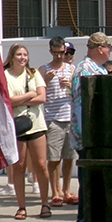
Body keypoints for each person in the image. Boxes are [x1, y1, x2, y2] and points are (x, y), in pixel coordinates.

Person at [71, 32, 112, 222]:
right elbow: (82, 106)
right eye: (109, 48)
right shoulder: (85, 70)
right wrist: (88, 138)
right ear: (100, 49)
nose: (110, 52)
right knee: (88, 182)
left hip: (98, 137)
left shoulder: (98, 69)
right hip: (88, 138)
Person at [3, 44, 52, 220]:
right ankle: (21, 207)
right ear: (12, 57)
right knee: (19, 167)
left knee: (41, 165)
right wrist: (30, 95)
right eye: (19, 54)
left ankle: (45, 203)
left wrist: (23, 100)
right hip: (17, 126)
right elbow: (8, 100)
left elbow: (42, 97)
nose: (22, 57)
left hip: (36, 125)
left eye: (25, 54)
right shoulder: (5, 75)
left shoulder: (34, 74)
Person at [38, 37, 78, 209]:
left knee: (69, 157)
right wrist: (46, 81)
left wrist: (70, 85)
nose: (60, 57)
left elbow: (77, 93)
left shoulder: (71, 68)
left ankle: (66, 190)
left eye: (62, 53)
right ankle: (55, 192)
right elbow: (38, 93)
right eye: (56, 53)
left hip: (69, 116)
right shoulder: (44, 69)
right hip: (53, 118)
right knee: (54, 158)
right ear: (50, 52)